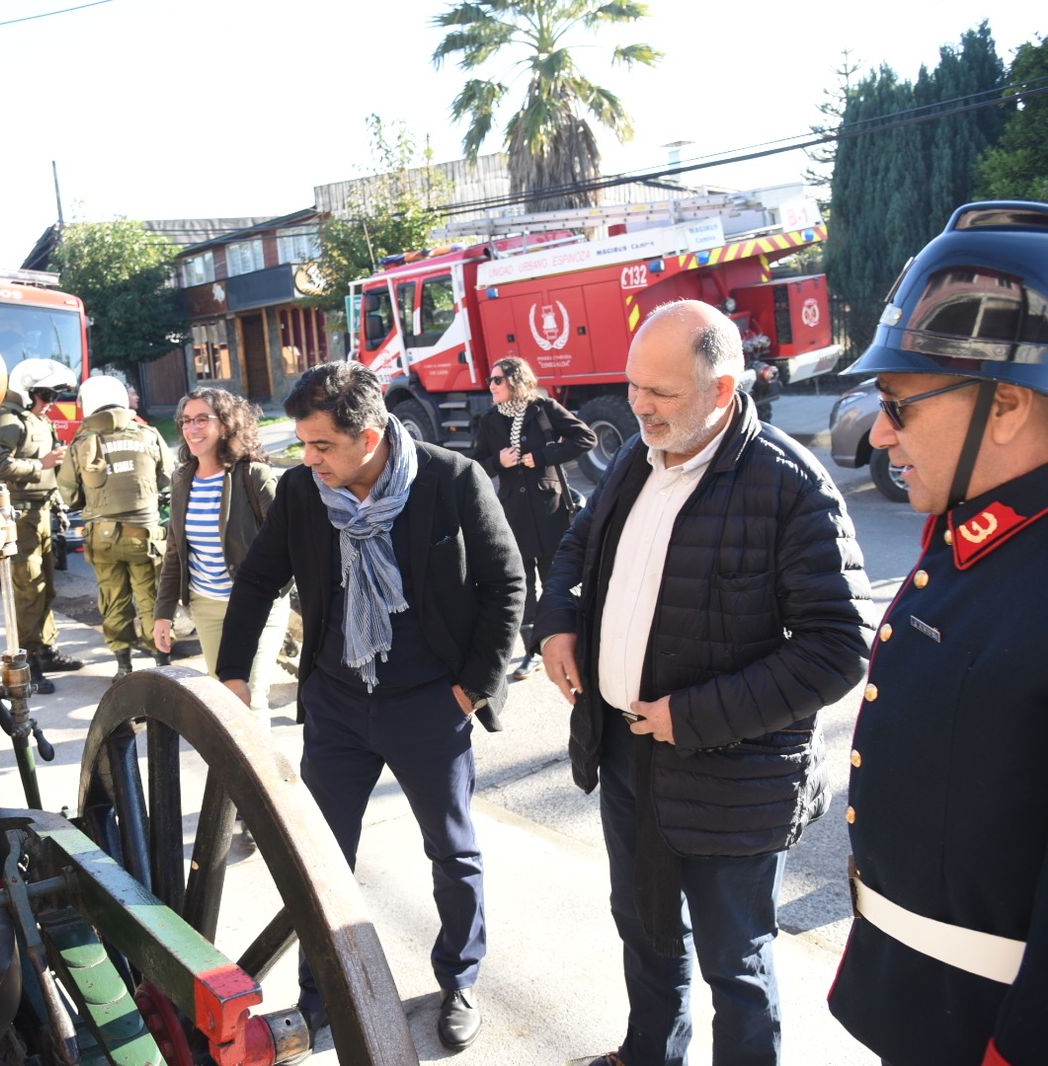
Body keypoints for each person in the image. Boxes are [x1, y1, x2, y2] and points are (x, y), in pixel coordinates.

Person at [532, 299, 871, 1066]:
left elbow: (837, 647)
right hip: (627, 756)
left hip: (734, 780)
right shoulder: (635, 458)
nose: (638, 406)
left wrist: (694, 716)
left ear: (721, 390)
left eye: (661, 392)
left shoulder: (789, 485)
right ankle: (648, 1054)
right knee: (645, 930)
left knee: (734, 965)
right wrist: (556, 623)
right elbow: (577, 547)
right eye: (633, 386)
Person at [216, 362, 523, 1053]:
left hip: (429, 705)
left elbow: (506, 583)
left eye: (322, 445)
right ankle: (321, 993)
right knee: (321, 860)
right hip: (338, 705)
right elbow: (259, 579)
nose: (309, 459)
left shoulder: (450, 480)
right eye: (303, 443)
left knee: (453, 851)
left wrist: (471, 689)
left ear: (371, 436)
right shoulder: (302, 492)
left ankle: (459, 980)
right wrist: (233, 673)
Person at [827, 202, 1048, 1066]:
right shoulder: (973, 536)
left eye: (898, 403)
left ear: (1008, 405)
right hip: (925, 1003)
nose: (880, 432)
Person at [152, 387, 289, 710]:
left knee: (249, 698)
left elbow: (288, 544)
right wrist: (163, 614)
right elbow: (175, 552)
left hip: (256, 608)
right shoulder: (182, 479)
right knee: (224, 704)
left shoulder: (254, 476)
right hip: (206, 605)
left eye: (202, 419)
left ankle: (257, 748)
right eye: (186, 420)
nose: (192, 428)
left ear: (225, 424)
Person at [471, 356, 597, 681]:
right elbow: (475, 465)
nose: (491, 386)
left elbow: (586, 438)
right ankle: (532, 652)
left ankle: (569, 643)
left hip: (550, 511)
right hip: (514, 516)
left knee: (556, 582)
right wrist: (499, 462)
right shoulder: (489, 420)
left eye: (497, 380)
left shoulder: (543, 409)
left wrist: (542, 456)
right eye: (490, 380)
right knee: (523, 586)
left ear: (515, 381)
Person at [58, 373, 174, 678]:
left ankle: (123, 666)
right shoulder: (148, 434)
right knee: (151, 598)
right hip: (146, 536)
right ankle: (162, 663)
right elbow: (167, 477)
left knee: (113, 599)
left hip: (103, 538)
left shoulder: (81, 442)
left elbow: (69, 494)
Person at [0, 358, 84, 693]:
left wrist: (59, 500)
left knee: (45, 588)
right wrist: (41, 464)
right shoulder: (7, 418)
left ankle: (45, 650)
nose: (51, 403)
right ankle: (28, 663)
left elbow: (49, 468)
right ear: (28, 393)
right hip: (18, 516)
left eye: (55, 396)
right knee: (28, 591)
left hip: (41, 512)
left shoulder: (38, 420)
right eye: (46, 395)